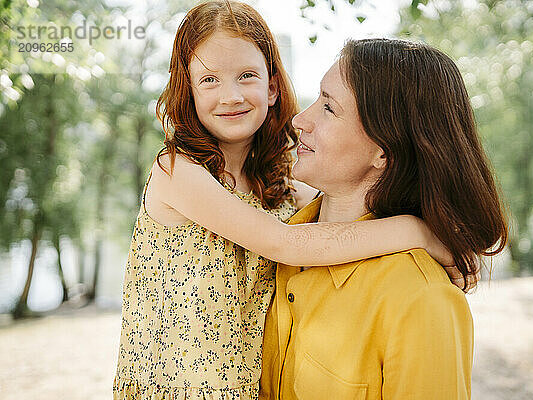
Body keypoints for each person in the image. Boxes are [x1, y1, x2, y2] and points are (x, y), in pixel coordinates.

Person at [112, 3, 465, 399]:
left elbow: (354, 202)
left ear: (273, 87)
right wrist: (417, 231)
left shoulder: (281, 182)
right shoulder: (178, 172)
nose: (230, 96)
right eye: (209, 80)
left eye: (246, 76)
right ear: (187, 91)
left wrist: (446, 235)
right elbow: (287, 243)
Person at [259, 38, 508, 400]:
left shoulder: (421, 302)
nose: (300, 120)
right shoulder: (269, 237)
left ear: (384, 151)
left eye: (329, 108)